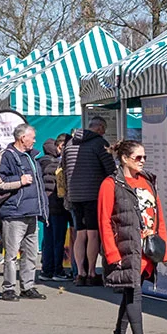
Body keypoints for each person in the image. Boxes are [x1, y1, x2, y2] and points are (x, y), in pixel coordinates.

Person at [96, 139, 167, 334]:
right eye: (138, 157)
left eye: (144, 157)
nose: (143, 161)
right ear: (125, 158)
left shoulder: (147, 181)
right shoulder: (111, 184)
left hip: (147, 249)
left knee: (130, 291)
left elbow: (158, 216)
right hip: (125, 248)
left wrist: (162, 247)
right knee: (134, 292)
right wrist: (111, 253)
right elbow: (104, 221)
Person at [0, 123, 47, 301]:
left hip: (31, 212)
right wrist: (19, 181)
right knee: (12, 254)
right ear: (23, 138)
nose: (35, 140)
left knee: (30, 253)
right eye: (33, 137)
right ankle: (8, 288)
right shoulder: (7, 155)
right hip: (14, 212)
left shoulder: (31, 156)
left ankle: (28, 286)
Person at [65, 117, 117, 286]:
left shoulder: (70, 143)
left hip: (74, 194)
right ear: (100, 128)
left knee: (80, 234)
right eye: (104, 129)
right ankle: (92, 273)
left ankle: (80, 272)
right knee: (93, 234)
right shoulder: (99, 143)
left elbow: (64, 168)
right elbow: (110, 169)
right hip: (93, 194)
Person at [38, 138, 71, 282]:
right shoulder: (57, 165)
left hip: (46, 207)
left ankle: (47, 269)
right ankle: (57, 270)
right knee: (58, 240)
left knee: (48, 240)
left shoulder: (39, 163)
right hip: (58, 207)